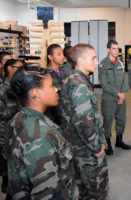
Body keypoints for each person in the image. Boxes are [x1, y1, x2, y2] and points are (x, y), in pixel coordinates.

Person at [4, 66, 79, 199]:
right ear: (36, 94)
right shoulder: (39, 138)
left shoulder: (18, 120)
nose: (57, 89)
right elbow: (48, 193)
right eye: (51, 86)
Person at [60, 43, 108, 199]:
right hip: (86, 150)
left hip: (74, 146)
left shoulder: (70, 79)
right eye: (93, 58)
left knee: (81, 188)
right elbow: (85, 123)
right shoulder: (79, 85)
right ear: (80, 60)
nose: (97, 62)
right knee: (97, 191)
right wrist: (96, 147)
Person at [99, 40, 131, 155]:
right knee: (108, 121)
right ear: (108, 50)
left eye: (118, 48)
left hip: (121, 98)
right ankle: (107, 144)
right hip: (109, 99)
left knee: (121, 120)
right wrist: (118, 94)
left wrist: (123, 94)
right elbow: (104, 84)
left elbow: (124, 80)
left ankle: (119, 141)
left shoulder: (120, 63)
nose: (116, 51)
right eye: (114, 48)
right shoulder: (103, 64)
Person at [0, 59, 23, 195]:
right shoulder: (3, 89)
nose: (21, 70)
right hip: (5, 130)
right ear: (9, 68)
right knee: (7, 159)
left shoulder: (19, 87)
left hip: (19, 131)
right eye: (18, 67)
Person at [46, 44, 65, 125]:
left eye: (62, 54)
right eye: (58, 54)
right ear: (50, 57)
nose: (62, 56)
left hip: (65, 112)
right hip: (53, 114)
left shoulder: (64, 72)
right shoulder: (45, 74)